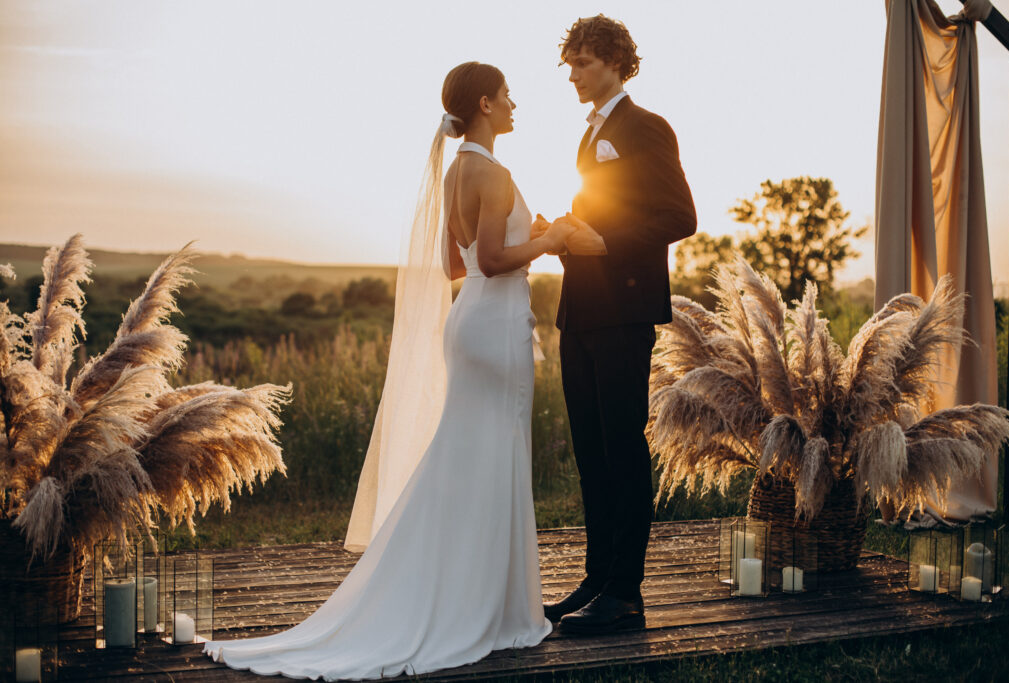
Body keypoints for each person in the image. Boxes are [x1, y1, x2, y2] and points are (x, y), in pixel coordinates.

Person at [203, 62, 577, 680]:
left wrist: (525, 241)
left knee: (464, 458)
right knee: (492, 457)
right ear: (485, 103)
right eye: (507, 95)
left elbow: (456, 268)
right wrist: (551, 238)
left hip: (469, 321)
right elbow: (489, 258)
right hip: (495, 329)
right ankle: (490, 607)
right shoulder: (494, 172)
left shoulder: (457, 171)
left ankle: (462, 592)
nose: (515, 104)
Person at [539, 15, 697, 634]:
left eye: (582, 63)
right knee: (589, 452)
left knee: (622, 450)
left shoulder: (645, 127)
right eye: (570, 64)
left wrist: (604, 241)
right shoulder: (592, 135)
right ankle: (597, 577)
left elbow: (680, 215)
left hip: (624, 313)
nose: (573, 75)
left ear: (614, 61)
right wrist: (562, 235)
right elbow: (601, 214)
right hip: (579, 312)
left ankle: (626, 593)